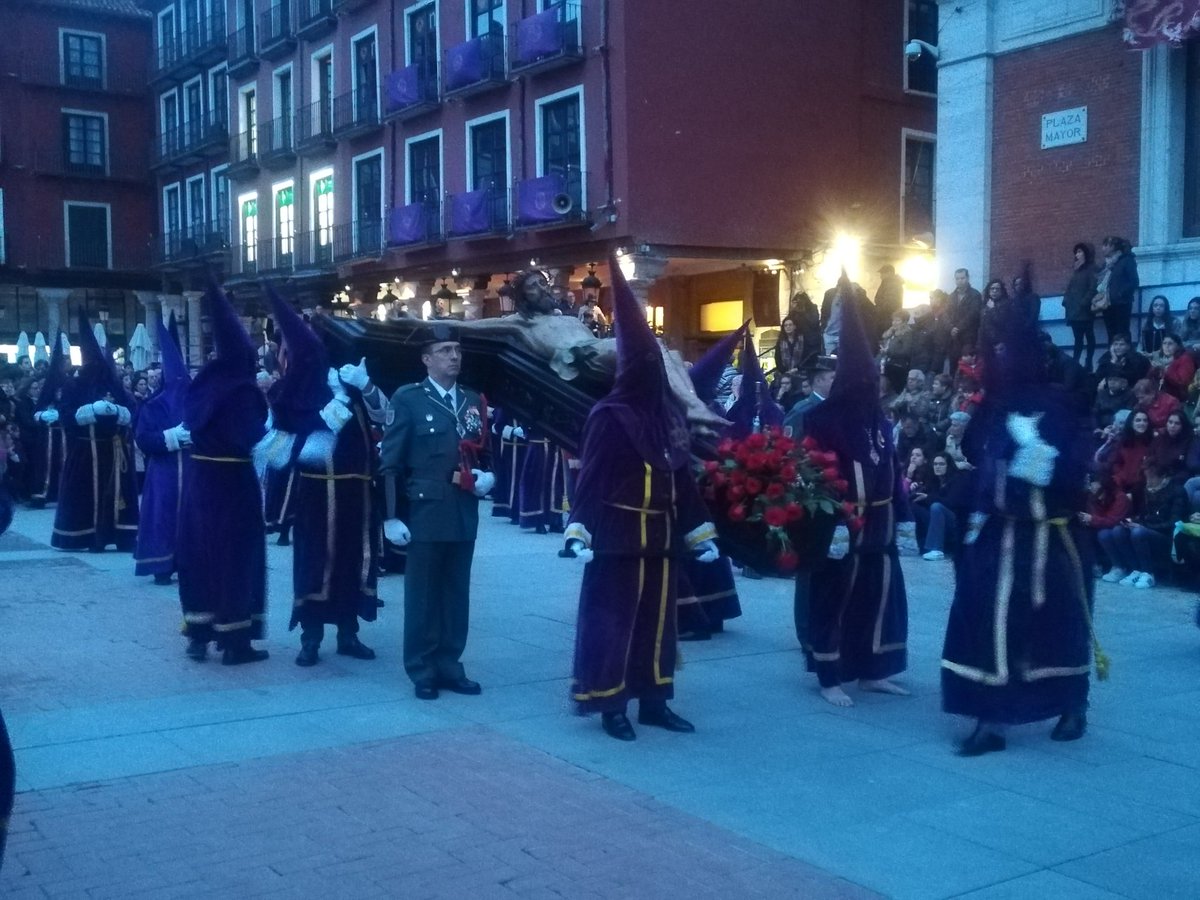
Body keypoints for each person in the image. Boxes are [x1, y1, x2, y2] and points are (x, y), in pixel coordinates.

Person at [564, 256, 719, 740]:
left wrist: (700, 532)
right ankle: (610, 703)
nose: (658, 376)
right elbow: (591, 478)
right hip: (616, 537)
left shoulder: (670, 417)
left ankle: (654, 700)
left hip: (663, 539)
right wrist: (578, 530)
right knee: (614, 623)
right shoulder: (609, 416)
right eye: (649, 367)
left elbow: (682, 479)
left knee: (657, 624)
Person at [941, 302, 1096, 755]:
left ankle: (1072, 703)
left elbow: (1075, 471)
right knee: (986, 616)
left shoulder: (1062, 407)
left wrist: (1041, 458)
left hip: (1052, 535)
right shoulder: (993, 406)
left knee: (1058, 621)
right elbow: (975, 458)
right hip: (1000, 533)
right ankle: (990, 715)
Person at [796, 275, 910, 707]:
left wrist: (903, 516)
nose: (872, 387)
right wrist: (832, 519)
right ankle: (829, 675)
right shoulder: (822, 421)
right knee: (835, 597)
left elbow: (893, 469)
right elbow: (813, 472)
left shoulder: (879, 421)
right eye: (865, 379)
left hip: (879, 523)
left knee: (879, 596)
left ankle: (873, 670)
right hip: (841, 523)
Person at [263, 285, 387, 667]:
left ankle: (348, 633)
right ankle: (310, 637)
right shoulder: (298, 387)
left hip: (357, 489)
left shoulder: (355, 377)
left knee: (355, 559)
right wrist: (332, 408)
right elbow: (287, 432)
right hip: (316, 492)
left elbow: (384, 417)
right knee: (315, 561)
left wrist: (365, 388)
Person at [379, 322, 494, 700]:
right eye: (445, 351)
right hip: (425, 511)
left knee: (455, 593)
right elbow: (391, 462)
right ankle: (422, 668)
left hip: (462, 510)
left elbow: (484, 453)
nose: (454, 357)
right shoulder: (408, 399)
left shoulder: (473, 399)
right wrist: (391, 515)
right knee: (423, 595)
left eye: (457, 351)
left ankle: (450, 664)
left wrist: (487, 476)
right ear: (426, 359)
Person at [176, 285, 270, 665]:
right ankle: (235, 642)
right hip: (233, 486)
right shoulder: (242, 391)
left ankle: (198, 635)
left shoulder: (205, 384)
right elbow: (251, 439)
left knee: (198, 555)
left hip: (199, 483)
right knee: (236, 557)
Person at [50, 315, 138, 553]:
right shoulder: (73, 386)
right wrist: (89, 410)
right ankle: (84, 536)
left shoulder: (114, 385)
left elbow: (132, 411)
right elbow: (66, 416)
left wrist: (118, 411)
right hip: (85, 450)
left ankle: (119, 535)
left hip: (114, 447)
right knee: (84, 495)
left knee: (116, 495)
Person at [133, 316, 191, 585]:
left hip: (194, 468)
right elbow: (143, 439)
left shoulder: (199, 400)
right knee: (163, 515)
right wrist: (171, 437)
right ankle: (161, 564)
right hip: (164, 471)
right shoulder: (153, 406)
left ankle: (192, 562)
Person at [1096, 460, 1188, 589]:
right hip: (1148, 528)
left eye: (1151, 477)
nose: (1148, 481)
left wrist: (1144, 526)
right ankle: (1131, 569)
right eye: (1146, 477)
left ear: (1163, 477)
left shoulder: (1177, 491)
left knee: (1139, 532)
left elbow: (1174, 522)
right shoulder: (1145, 490)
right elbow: (1143, 515)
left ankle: (1148, 573)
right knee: (1117, 530)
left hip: (1167, 536)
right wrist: (1132, 521)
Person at [1062, 243, 1098, 370]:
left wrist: (1085, 302)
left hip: (1085, 311)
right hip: (1073, 310)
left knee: (1089, 336)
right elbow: (1070, 287)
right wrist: (1065, 300)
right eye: (1076, 252)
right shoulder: (1076, 270)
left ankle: (1088, 362)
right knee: (1078, 338)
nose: (1077, 254)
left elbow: (1093, 288)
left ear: (1086, 253)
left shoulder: (1092, 269)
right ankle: (1075, 361)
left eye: (1079, 252)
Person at [1098, 235, 1139, 345]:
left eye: (1106, 245)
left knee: (1122, 332)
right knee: (1110, 333)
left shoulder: (1127, 260)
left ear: (1114, 247)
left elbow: (1134, 281)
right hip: (1107, 304)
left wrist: (1121, 294)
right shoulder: (1106, 264)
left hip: (1122, 303)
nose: (1103, 248)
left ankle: (1127, 356)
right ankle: (1112, 357)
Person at [782, 356, 836, 437]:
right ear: (818, 381)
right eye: (833, 378)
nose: (838, 381)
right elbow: (789, 444)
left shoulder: (837, 408)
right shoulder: (802, 411)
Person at [945, 268, 983, 371]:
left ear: (968, 278)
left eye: (962, 278)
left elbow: (973, 314)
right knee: (953, 365)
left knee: (966, 366)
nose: (960, 281)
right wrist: (951, 328)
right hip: (953, 337)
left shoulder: (975, 295)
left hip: (968, 337)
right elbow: (946, 314)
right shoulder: (951, 296)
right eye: (957, 278)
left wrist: (958, 328)